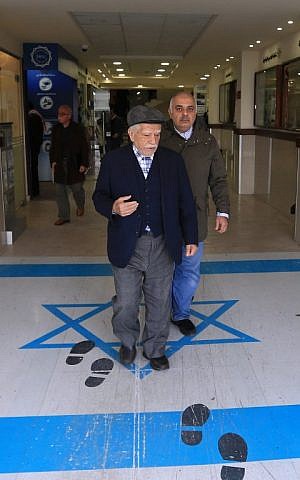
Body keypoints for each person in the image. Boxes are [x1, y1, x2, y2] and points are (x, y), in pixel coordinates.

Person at [93, 105, 198, 371]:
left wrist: (191, 238)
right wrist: (114, 207)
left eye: (158, 135)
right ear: (132, 134)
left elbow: (186, 201)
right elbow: (99, 197)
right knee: (126, 302)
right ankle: (127, 342)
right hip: (127, 244)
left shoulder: (173, 161)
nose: (153, 141)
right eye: (147, 135)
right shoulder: (113, 161)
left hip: (163, 243)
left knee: (159, 301)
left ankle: (155, 348)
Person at [160, 92, 230, 336]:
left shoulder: (207, 141)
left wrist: (223, 211)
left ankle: (181, 314)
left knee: (189, 271)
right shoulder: (159, 139)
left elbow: (218, 179)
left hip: (195, 219)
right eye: (179, 108)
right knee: (163, 269)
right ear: (170, 112)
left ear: (195, 112)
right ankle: (160, 313)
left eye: (190, 109)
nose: (185, 114)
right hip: (163, 219)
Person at [50, 105, 89, 226]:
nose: (59, 117)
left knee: (77, 189)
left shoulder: (78, 129)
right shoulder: (56, 129)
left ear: (69, 116)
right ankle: (64, 216)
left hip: (74, 164)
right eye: (58, 114)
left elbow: (84, 147)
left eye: (62, 114)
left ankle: (80, 205)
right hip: (60, 165)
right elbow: (53, 147)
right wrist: (53, 161)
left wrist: (84, 163)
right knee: (59, 191)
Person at [27, 104, 44, 197]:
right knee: (34, 167)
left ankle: (33, 190)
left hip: (32, 147)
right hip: (36, 146)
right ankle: (35, 190)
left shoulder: (32, 118)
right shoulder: (38, 116)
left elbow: (31, 134)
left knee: (32, 168)